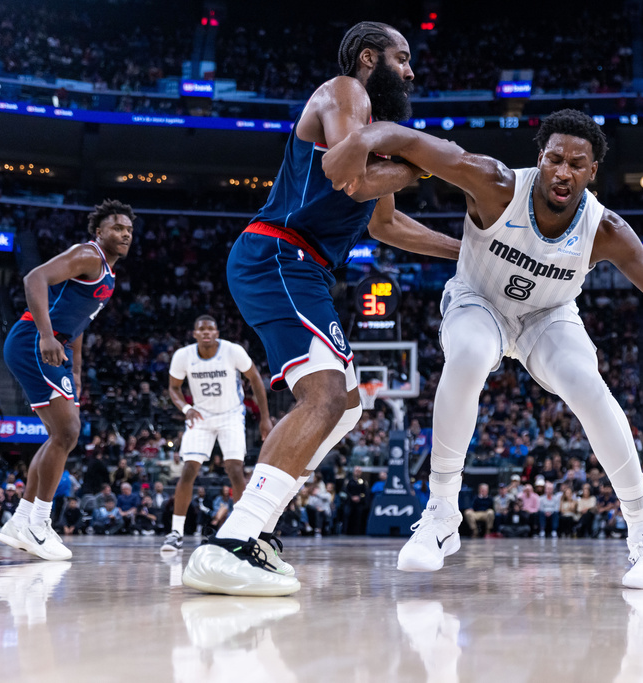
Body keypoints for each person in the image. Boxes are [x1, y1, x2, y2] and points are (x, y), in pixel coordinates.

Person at [324, 108, 643, 589]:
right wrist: (367, 136)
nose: (563, 172)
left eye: (576, 164)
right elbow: (416, 144)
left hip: (548, 315)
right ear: (540, 157)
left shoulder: (605, 230)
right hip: (478, 299)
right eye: (555, 159)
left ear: (592, 171)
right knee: (469, 354)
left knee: (587, 385)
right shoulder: (494, 184)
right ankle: (441, 511)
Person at [181, 21, 459, 596]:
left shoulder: (376, 134)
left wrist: (467, 252)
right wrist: (426, 160)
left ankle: (258, 530)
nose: (411, 71)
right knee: (325, 395)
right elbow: (345, 176)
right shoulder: (345, 91)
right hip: (279, 254)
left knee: (348, 406)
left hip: (300, 266)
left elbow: (385, 225)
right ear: (368, 58)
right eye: (402, 58)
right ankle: (232, 541)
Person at [0, 200, 133, 561]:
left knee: (60, 435)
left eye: (129, 230)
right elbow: (34, 278)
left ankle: (21, 521)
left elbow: (79, 323)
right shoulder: (87, 254)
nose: (124, 234)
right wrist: (45, 335)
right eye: (117, 227)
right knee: (68, 432)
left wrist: (76, 370)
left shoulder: (108, 273)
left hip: (56, 346)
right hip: (35, 340)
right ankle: (39, 523)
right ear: (99, 232)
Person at [160, 315, 273, 554]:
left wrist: (265, 418)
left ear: (217, 333)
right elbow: (173, 387)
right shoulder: (183, 356)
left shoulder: (233, 351)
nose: (206, 332)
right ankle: (176, 533)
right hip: (200, 416)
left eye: (210, 328)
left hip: (231, 415)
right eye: (201, 329)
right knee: (188, 469)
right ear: (195, 334)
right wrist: (186, 409)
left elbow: (255, 379)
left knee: (235, 469)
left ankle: (241, 531)